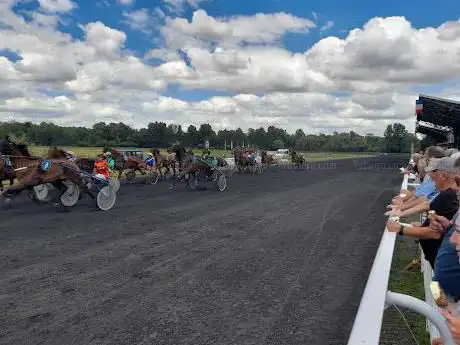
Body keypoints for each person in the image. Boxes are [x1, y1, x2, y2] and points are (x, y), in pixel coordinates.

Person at [387, 156, 460, 268]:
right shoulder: (446, 195)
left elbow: (434, 233)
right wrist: (422, 226)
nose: (432, 182)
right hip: (439, 263)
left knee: (436, 285)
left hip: (442, 265)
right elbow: (442, 228)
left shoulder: (447, 195)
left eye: (434, 178)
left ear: (444, 175)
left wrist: (400, 229)